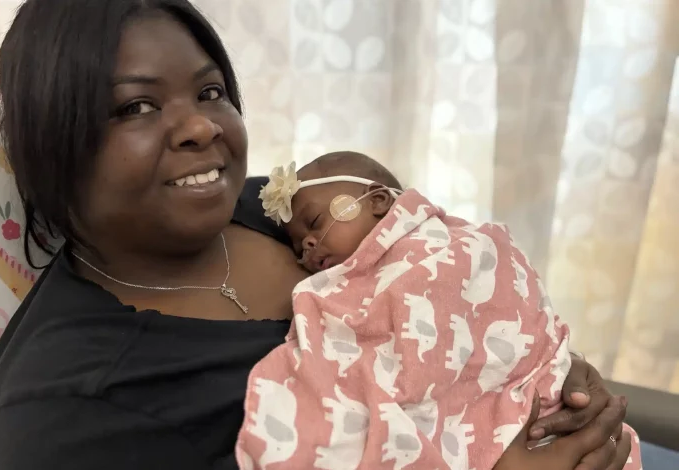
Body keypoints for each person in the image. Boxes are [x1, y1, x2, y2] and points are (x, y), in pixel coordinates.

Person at [0, 1, 633, 469]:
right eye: (136, 106)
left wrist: (552, 374)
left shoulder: (271, 210)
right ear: (54, 143)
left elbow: (453, 279)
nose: (202, 127)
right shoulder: (56, 419)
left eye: (211, 92)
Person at [236, 152, 641, 469]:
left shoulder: (458, 245)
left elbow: (506, 294)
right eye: (298, 246)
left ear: (378, 201)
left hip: (545, 412)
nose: (306, 245)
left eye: (314, 222)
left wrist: (560, 359)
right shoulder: (346, 286)